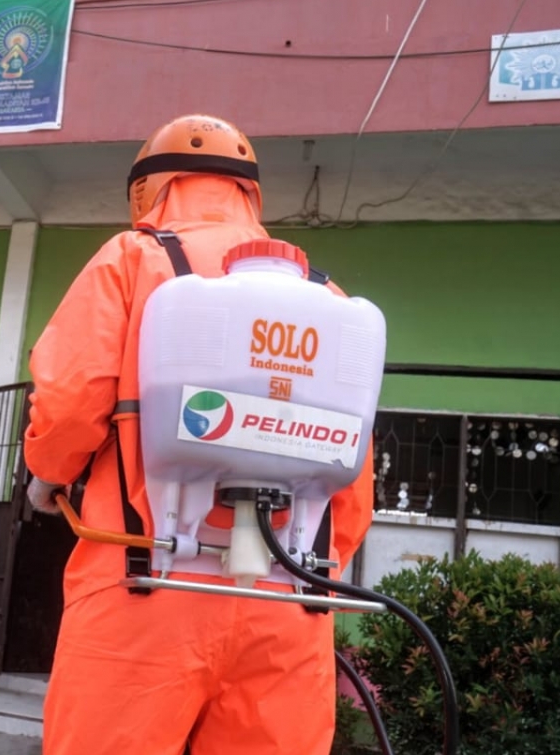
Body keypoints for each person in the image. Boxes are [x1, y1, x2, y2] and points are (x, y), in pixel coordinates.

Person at [23, 114, 375, 755]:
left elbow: (71, 400)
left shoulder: (135, 258)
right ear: (251, 196)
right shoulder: (326, 298)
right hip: (289, 602)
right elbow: (353, 473)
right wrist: (314, 575)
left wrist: (48, 473)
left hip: (144, 581)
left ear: (148, 190)